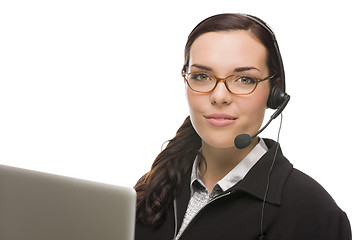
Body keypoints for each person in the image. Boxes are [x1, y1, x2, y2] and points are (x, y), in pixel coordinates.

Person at [134, 13, 351, 240]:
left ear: (274, 94)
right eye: (201, 76)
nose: (219, 96)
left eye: (244, 79)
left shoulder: (314, 214)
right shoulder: (154, 187)